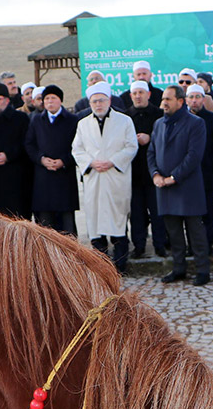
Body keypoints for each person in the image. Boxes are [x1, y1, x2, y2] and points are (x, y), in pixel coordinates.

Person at [72, 81, 138, 273]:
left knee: (117, 221)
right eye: (94, 101)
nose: (98, 104)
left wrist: (112, 161)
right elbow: (77, 149)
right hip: (95, 178)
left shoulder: (124, 121)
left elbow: (131, 146)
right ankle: (100, 267)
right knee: (95, 222)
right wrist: (91, 163)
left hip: (115, 177)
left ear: (109, 100)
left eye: (101, 100)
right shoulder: (83, 124)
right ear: (89, 103)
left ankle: (120, 266)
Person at [149, 85, 210, 286]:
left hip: (188, 187)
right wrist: (155, 174)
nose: (164, 103)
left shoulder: (195, 123)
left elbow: (194, 156)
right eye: (163, 99)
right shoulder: (159, 124)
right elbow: (151, 152)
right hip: (164, 188)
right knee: (173, 233)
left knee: (195, 232)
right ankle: (178, 268)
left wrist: (173, 177)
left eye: (168, 99)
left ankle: (202, 270)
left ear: (180, 101)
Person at [25, 85, 79, 235]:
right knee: (45, 224)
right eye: (47, 98)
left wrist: (64, 161)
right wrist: (41, 159)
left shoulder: (72, 120)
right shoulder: (36, 120)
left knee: (67, 223)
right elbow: (29, 144)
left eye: (53, 98)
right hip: (44, 178)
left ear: (60, 100)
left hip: (65, 177)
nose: (50, 101)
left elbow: (78, 146)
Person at [123, 80, 168, 258]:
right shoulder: (125, 117)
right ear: (130, 96)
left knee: (157, 212)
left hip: (155, 172)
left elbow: (166, 139)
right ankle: (139, 245)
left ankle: (160, 244)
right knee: (136, 213)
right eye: (135, 93)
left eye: (141, 92)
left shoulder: (159, 115)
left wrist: (150, 138)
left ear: (148, 94)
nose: (138, 96)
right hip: (133, 173)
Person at [0, 83, 32, 218]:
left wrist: (8, 155)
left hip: (16, 177)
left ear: (7, 100)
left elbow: (26, 144)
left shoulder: (21, 119)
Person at [185, 84, 213, 252]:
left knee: (208, 211)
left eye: (197, 97)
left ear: (203, 99)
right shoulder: (181, 120)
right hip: (187, 176)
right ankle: (192, 246)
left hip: (208, 175)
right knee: (190, 214)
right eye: (191, 97)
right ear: (186, 100)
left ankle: (208, 244)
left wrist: (209, 164)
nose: (194, 101)